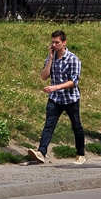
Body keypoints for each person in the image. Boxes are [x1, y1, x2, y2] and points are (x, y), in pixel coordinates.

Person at [28, 30, 85, 166]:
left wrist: (55, 87)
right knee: (49, 125)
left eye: (57, 42)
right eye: (52, 42)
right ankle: (41, 151)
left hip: (70, 98)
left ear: (64, 43)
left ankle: (80, 153)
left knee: (76, 126)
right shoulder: (51, 57)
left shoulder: (73, 59)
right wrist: (50, 59)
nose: (54, 45)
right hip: (55, 99)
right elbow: (44, 76)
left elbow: (74, 81)